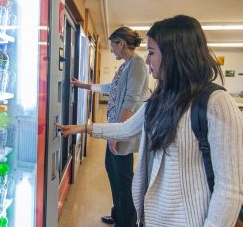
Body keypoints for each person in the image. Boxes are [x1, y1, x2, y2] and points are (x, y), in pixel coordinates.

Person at [59, 15, 243, 227]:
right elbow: (129, 128)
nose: (146, 60)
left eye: (152, 53)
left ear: (175, 54)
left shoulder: (217, 104)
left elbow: (228, 191)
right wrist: (82, 128)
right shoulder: (161, 98)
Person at [72, 26, 149, 227]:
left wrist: (118, 133)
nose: (112, 49)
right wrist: (84, 86)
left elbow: (130, 101)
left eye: (112, 45)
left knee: (123, 179)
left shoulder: (137, 64)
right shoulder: (126, 65)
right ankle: (118, 214)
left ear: (121, 43)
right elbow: (110, 88)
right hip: (115, 130)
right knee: (112, 171)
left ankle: (127, 222)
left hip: (122, 132)